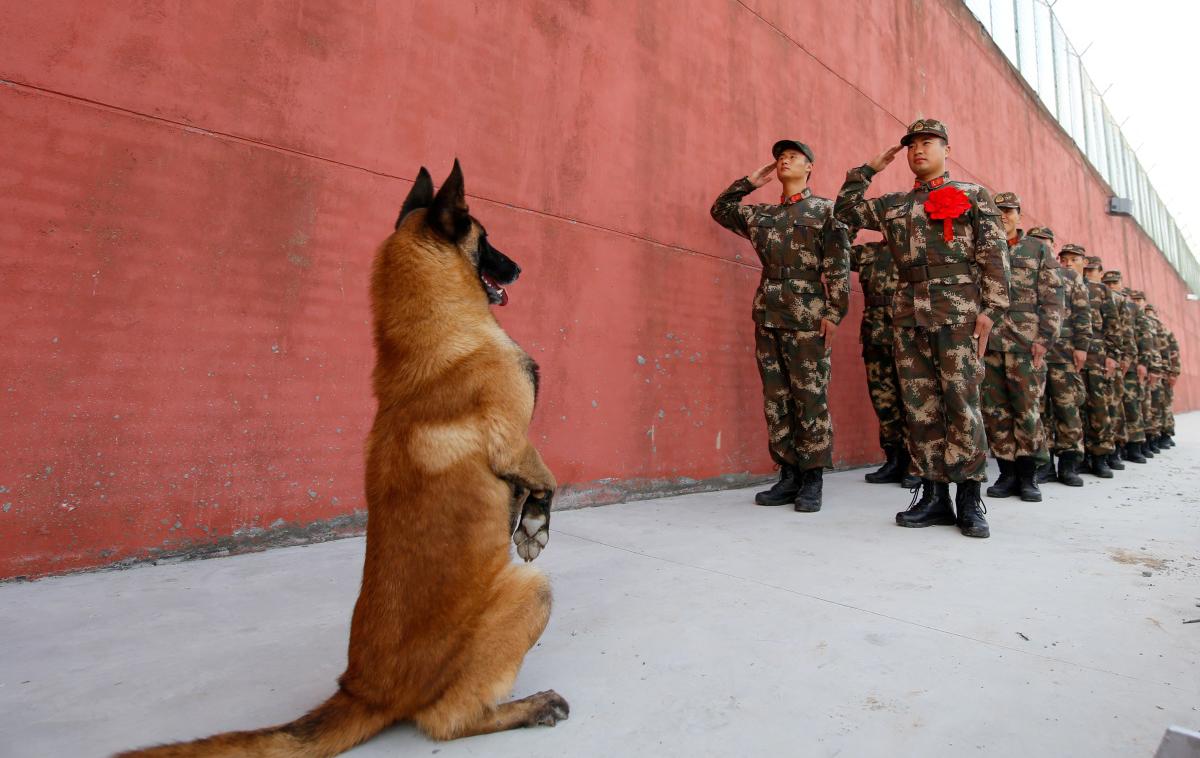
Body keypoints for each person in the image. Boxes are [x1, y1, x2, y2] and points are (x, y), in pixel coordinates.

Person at [835, 119, 1009, 538]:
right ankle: (932, 497)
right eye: (912, 145)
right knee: (919, 405)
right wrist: (867, 169)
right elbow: (844, 212)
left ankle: (969, 499)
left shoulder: (971, 195)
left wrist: (993, 308)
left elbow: (993, 252)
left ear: (946, 149)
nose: (918, 150)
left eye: (927, 143)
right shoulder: (893, 204)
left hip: (959, 311)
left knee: (961, 402)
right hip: (909, 310)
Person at [711, 140, 851, 513]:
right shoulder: (763, 215)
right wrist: (748, 183)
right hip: (768, 312)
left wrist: (835, 312)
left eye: (793, 156)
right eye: (780, 156)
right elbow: (721, 210)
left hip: (807, 315)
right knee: (776, 397)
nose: (783, 160)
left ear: (809, 168)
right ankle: (788, 473)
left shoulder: (825, 211)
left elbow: (837, 265)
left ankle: (812, 477)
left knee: (810, 395)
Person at [980, 197, 1063, 503]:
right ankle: (1006, 473)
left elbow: (1053, 295)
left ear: (1018, 215)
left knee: (1027, 410)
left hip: (1026, 343)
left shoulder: (1036, 249)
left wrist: (1046, 338)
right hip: (989, 341)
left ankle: (1028, 476)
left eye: (1008, 211)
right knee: (995, 410)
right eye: (996, 211)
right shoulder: (983, 245)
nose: (1002, 216)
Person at [851, 240, 918, 487]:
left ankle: (915, 462)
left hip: (908, 336)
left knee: (912, 400)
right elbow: (835, 252)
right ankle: (893, 459)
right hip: (874, 334)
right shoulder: (868, 252)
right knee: (883, 400)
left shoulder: (916, 246)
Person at [1038, 241, 1091, 486]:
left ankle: (1069, 465)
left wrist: (1081, 347)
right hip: (1037, 352)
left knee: (1067, 408)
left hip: (1065, 354)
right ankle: (1045, 464)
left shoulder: (1070, 277)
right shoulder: (1034, 272)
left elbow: (1082, 313)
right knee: (1040, 411)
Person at [1078, 252, 1121, 477]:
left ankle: (1101, 456)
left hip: (1097, 358)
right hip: (1072, 356)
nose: (1088, 273)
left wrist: (1112, 355)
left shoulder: (1102, 291)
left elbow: (1113, 325)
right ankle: (1080, 456)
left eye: (1091, 269)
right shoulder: (1068, 284)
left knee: (1099, 408)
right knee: (1076, 409)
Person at [1100, 270, 1135, 473]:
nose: (1111, 285)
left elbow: (1126, 333)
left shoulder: (1121, 303)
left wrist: (1125, 358)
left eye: (1115, 282)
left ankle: (1115, 450)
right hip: (1097, 357)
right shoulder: (1099, 294)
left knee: (1114, 405)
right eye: (1108, 282)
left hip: (1115, 359)